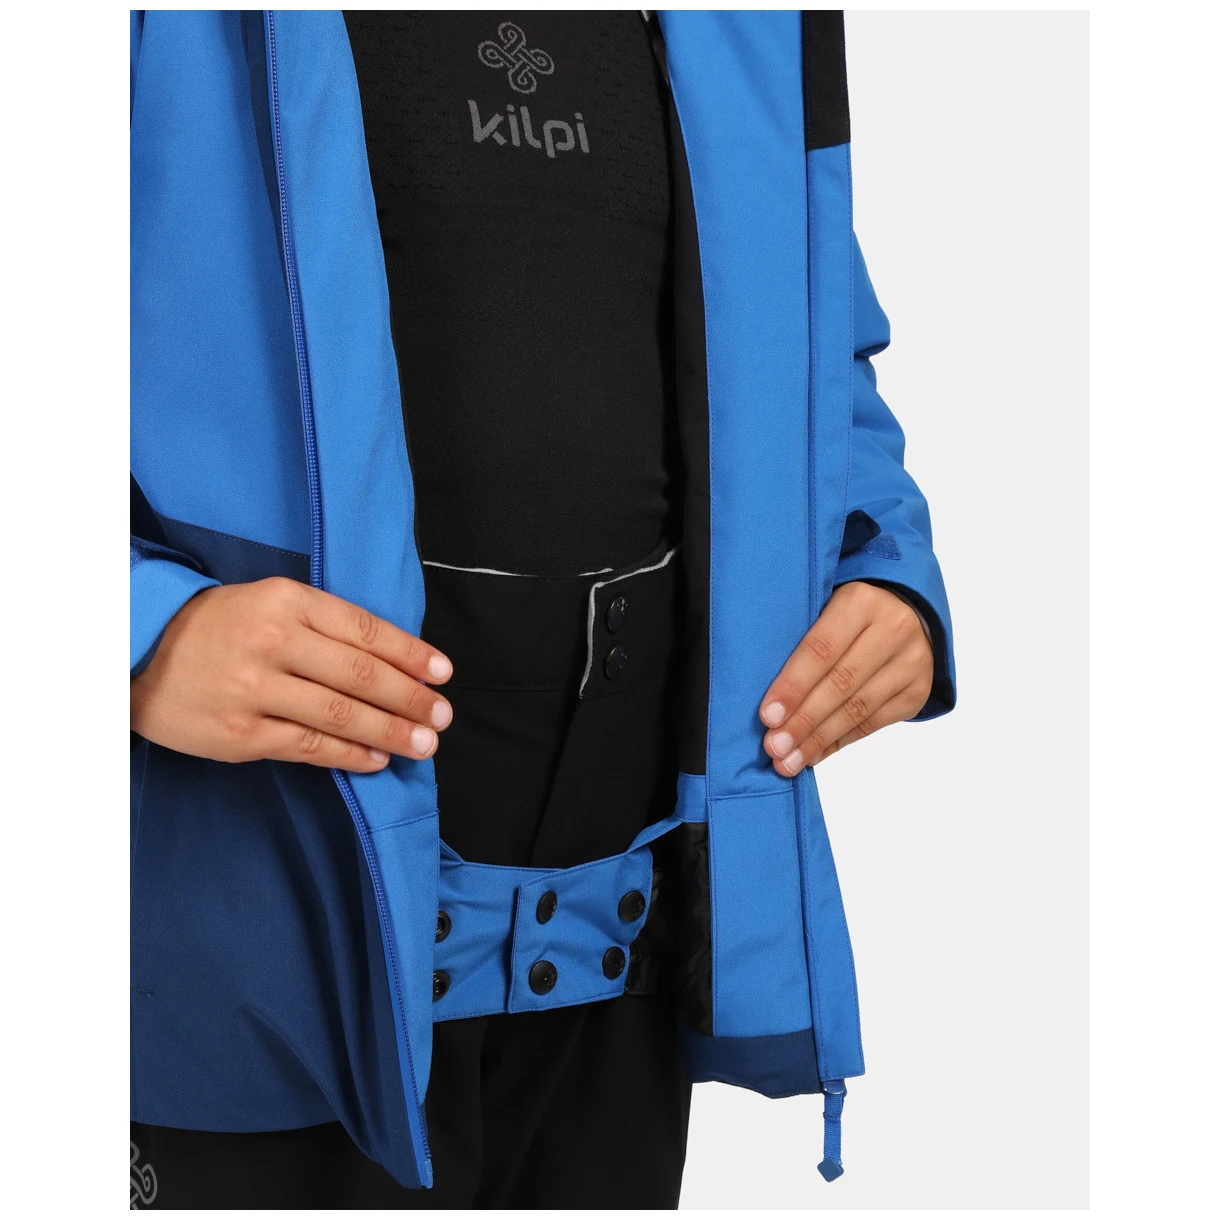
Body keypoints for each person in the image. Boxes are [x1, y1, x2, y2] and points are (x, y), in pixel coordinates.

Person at [129, 9, 955, 1210]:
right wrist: (136, 627)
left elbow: (808, 335)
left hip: (620, 979)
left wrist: (883, 565)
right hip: (253, 968)